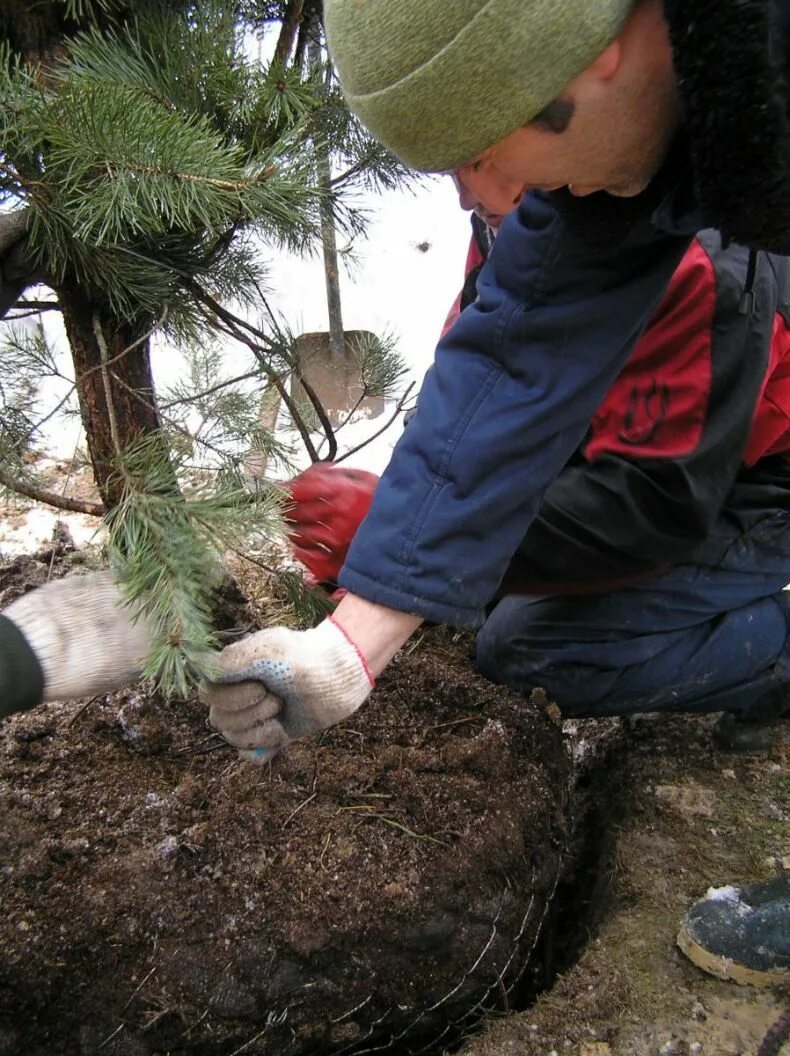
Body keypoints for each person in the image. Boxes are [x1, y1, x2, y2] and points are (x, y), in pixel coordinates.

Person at [1, 0, 788, 986]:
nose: (475, 195)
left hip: (755, 492)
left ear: (600, 54)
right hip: (667, 474)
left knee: (540, 641)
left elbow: (656, 506)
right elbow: (511, 363)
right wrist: (349, 645)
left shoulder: (707, 260)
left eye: (476, 152)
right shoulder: (600, 170)